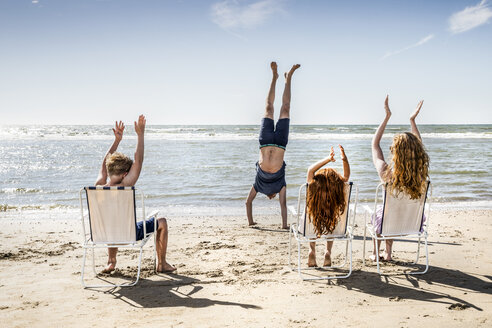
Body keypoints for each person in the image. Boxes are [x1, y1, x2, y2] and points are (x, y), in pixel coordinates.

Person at [95, 115, 176, 273]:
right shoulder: (126, 185)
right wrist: (140, 134)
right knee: (162, 222)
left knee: (112, 221)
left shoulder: (98, 186)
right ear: (125, 174)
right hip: (129, 234)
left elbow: (104, 164)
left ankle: (111, 261)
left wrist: (117, 141)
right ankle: (162, 264)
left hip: (104, 233)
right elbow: (138, 160)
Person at [371, 95, 430, 261]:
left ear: (395, 152)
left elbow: (375, 145)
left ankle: (377, 254)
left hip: (388, 222)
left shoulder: (385, 172)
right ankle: (388, 253)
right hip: (412, 222)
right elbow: (419, 146)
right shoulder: (419, 173)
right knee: (389, 212)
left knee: (381, 213)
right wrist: (412, 120)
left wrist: (386, 117)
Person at [245, 61, 300, 229]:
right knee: (286, 108)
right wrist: (284, 225)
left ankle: (274, 77)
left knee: (269, 108)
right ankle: (288, 78)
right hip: (281, 143)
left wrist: (251, 222)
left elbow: (248, 202)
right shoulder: (281, 185)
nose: (271, 197)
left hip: (265, 140)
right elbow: (283, 206)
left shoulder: (258, 185)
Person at [300, 145, 350, 267]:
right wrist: (344, 159)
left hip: (311, 224)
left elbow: (310, 170)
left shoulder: (313, 186)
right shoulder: (340, 187)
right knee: (332, 222)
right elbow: (346, 176)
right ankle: (328, 252)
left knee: (310, 219)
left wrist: (328, 159)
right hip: (333, 224)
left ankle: (312, 250)